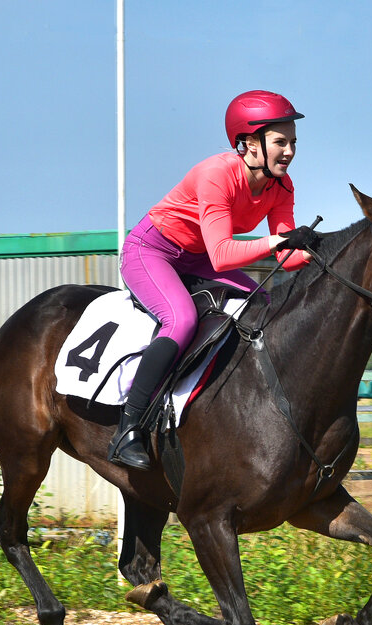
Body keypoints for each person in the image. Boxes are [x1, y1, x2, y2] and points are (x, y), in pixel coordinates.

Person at [109, 90, 320, 470]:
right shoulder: (216, 175)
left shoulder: (281, 186)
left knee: (264, 305)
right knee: (182, 320)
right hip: (151, 252)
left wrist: (322, 250)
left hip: (196, 257)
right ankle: (128, 428)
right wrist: (278, 241)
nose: (289, 151)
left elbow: (288, 259)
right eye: (280, 142)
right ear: (249, 143)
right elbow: (223, 255)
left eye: (293, 143)